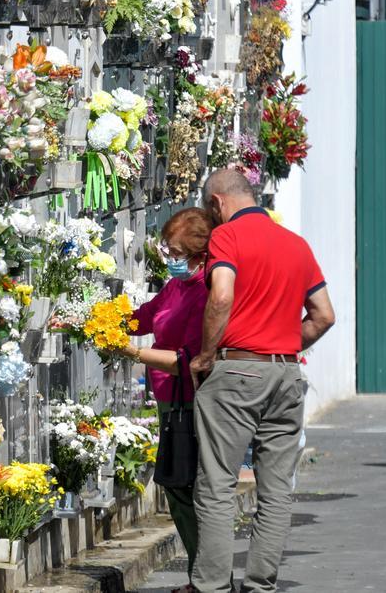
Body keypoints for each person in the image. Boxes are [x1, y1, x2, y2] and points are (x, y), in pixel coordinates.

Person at [188, 169, 336, 593]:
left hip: (236, 370)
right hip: (287, 372)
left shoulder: (227, 238)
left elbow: (221, 295)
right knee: (276, 491)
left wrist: (206, 354)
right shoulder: (296, 243)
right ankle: (260, 586)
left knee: (217, 486)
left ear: (217, 203)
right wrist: (285, 343)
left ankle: (213, 586)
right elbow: (324, 314)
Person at [121, 207, 213, 593]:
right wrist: (96, 320)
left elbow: (186, 361)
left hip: (190, 401)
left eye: (175, 253)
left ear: (198, 253)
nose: (169, 259)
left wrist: (131, 352)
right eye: (167, 251)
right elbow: (145, 316)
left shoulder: (207, 290)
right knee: (178, 489)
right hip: (168, 401)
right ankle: (201, 575)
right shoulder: (178, 286)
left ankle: (205, 576)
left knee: (188, 488)